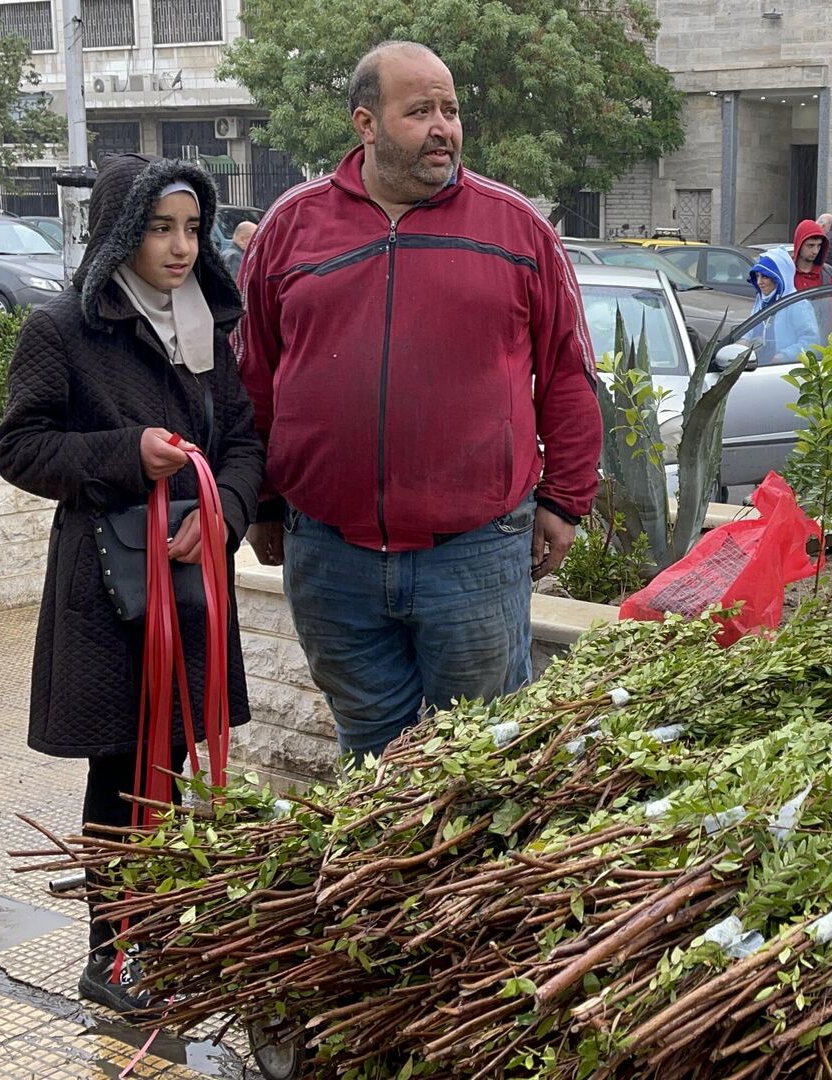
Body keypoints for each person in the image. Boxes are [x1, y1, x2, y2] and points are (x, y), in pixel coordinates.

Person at [237, 41, 602, 762]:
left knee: (482, 763)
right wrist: (264, 504)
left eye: (452, 110)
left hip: (475, 556)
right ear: (366, 124)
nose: (444, 127)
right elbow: (253, 376)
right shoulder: (290, 227)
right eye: (421, 111)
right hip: (332, 558)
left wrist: (564, 501)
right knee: (372, 760)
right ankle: (385, 877)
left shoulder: (517, 228)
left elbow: (568, 374)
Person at [0, 153, 265, 1013]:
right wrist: (125, 455)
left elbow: (249, 446)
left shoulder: (209, 326)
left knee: (174, 761)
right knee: (123, 769)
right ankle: (112, 954)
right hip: (110, 590)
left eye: (192, 228)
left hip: (191, 583)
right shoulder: (61, 329)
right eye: (160, 228)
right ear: (122, 231)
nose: (182, 247)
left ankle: (161, 931)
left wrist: (224, 514)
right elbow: (20, 447)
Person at [747, 247, 821, 364]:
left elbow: (811, 342)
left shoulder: (798, 304)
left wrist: (783, 357)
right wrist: (742, 342)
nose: (759, 282)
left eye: (765, 276)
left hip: (784, 370)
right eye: (757, 276)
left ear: (779, 278)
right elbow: (749, 329)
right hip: (758, 366)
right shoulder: (761, 300)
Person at [790, 218, 832, 293]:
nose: (815, 251)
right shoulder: (785, 271)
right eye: (810, 246)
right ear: (799, 245)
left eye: (819, 246)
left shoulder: (830, 274)